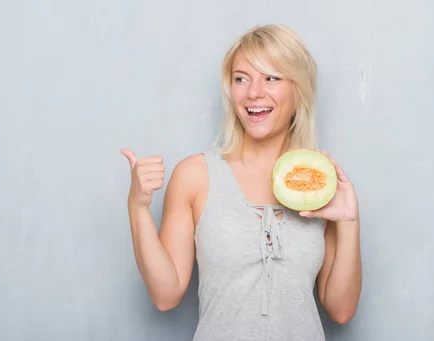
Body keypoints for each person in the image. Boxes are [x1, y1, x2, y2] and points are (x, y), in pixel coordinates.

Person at [120, 24, 362, 341]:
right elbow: (166, 296)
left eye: (271, 78)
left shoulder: (319, 181)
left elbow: (341, 310)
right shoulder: (195, 175)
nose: (252, 92)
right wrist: (137, 207)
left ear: (298, 88)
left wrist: (349, 221)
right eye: (241, 78)